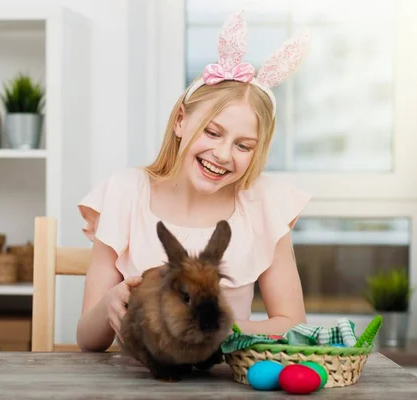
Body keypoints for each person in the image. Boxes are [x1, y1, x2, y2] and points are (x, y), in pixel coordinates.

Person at [75, 10, 312, 353]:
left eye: (243, 145)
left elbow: (292, 325)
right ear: (181, 122)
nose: (223, 154)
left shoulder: (263, 204)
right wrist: (110, 303)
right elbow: (87, 339)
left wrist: (208, 326)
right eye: (212, 132)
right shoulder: (125, 193)